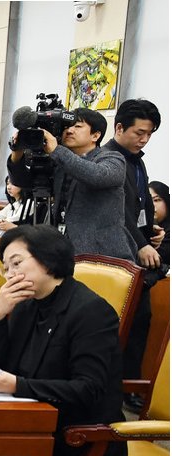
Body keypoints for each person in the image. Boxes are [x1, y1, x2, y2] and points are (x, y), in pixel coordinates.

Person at [0, 225, 127, 456]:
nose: (10, 275)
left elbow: (88, 389)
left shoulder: (91, 312)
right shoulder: (26, 305)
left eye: (16, 263)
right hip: (30, 420)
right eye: (6, 268)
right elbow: (0, 365)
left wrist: (18, 385)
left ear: (47, 260)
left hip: (78, 438)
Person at [7, 108, 136, 262]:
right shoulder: (59, 161)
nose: (69, 130)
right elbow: (23, 182)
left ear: (95, 135)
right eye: (67, 126)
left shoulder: (113, 158)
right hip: (62, 249)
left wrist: (57, 150)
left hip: (101, 253)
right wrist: (17, 153)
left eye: (78, 126)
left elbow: (96, 176)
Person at [105, 99, 165, 383]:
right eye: (139, 132)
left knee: (140, 324)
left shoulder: (137, 160)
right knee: (118, 328)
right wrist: (140, 243)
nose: (145, 139)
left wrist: (151, 231)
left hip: (138, 253)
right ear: (119, 128)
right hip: (117, 256)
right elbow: (115, 212)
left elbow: (138, 206)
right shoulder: (109, 160)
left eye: (149, 134)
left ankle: (130, 387)